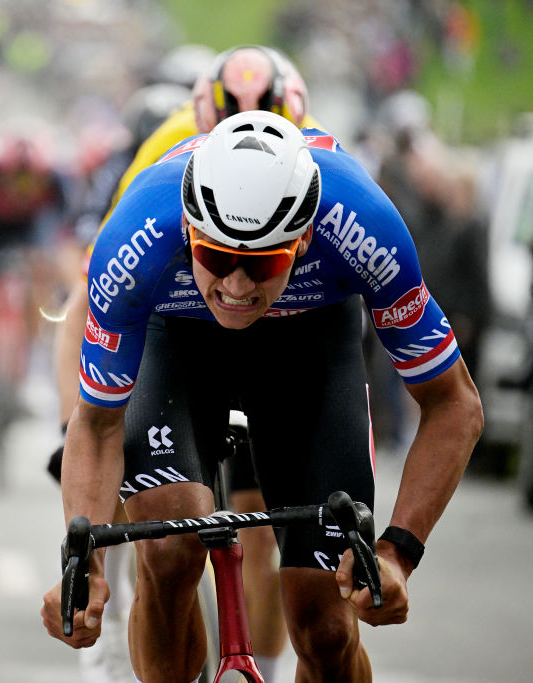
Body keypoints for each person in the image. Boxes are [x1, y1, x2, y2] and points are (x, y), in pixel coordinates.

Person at [40, 110, 483, 682]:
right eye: (216, 257)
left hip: (309, 339)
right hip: (176, 337)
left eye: (260, 263)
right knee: (169, 552)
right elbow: (97, 423)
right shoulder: (136, 235)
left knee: (325, 623)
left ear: (301, 241)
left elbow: (456, 405)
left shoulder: (363, 224)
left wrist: (398, 552)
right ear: (190, 230)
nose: (236, 286)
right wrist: (89, 566)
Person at [49, 44, 318, 683]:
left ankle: (270, 668)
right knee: (163, 538)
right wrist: (75, 426)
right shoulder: (166, 153)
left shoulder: (309, 161)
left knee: (264, 532)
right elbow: (96, 293)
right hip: (176, 318)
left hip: (275, 325)